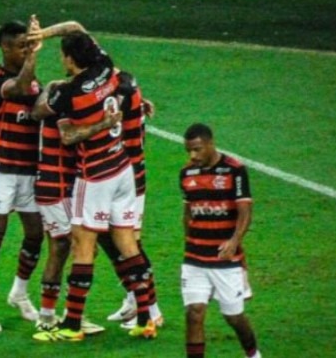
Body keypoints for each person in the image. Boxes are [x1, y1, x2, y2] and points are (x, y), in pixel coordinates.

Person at [30, 30, 157, 342]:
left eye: (62, 55)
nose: (61, 59)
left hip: (96, 175)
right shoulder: (106, 65)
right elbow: (78, 29)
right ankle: (146, 318)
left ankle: (72, 325)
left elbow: (61, 130)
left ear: (71, 59)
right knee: (127, 245)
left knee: (82, 248)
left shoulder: (69, 94)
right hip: (123, 169)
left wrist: (97, 123)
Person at [33, 79, 120, 337]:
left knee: (74, 248)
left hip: (65, 185)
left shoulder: (60, 98)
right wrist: (103, 124)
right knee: (67, 247)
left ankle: (69, 315)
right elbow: (68, 137)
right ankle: (50, 317)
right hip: (54, 185)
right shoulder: (64, 104)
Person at [0, 18, 44, 332]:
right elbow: (17, 90)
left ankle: (19, 292)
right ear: (4, 48)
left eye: (28, 46)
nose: (26, 51)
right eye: (21, 46)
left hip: (30, 171)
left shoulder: (35, 82)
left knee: (35, 234)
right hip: (2, 169)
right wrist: (33, 59)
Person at [179, 123, 261, 358]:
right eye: (189, 151)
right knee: (194, 313)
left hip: (225, 260)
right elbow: (188, 214)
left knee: (233, 316)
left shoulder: (234, 170)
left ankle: (254, 354)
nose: (192, 156)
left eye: (197, 149)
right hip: (195, 258)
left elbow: (244, 211)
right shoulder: (186, 174)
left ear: (210, 143)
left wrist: (234, 241)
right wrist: (189, 241)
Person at [100, 70, 164, 329]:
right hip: (115, 177)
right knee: (105, 236)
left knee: (130, 244)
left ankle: (152, 309)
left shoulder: (122, 94)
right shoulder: (127, 89)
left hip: (129, 179)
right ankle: (132, 297)